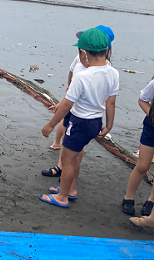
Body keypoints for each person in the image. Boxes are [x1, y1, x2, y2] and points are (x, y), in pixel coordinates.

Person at [40, 28, 118, 208]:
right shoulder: (113, 73)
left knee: (67, 161)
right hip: (95, 122)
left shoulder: (82, 76)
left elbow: (67, 104)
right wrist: (109, 125)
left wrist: (51, 125)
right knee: (75, 157)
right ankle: (71, 190)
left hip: (79, 123)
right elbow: (111, 103)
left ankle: (62, 197)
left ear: (84, 52)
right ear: (106, 50)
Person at [121, 78, 154, 216]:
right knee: (143, 166)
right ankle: (128, 197)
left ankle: (151, 201)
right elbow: (142, 100)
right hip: (151, 127)